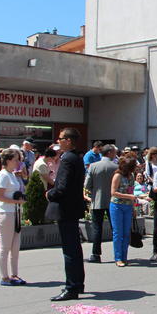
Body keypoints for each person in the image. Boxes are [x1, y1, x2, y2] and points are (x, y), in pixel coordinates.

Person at [47, 128, 86, 301]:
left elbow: (62, 187)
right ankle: (78, 283)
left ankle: (72, 287)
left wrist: (50, 194)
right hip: (73, 208)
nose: (58, 141)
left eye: (61, 138)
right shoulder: (76, 157)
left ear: (69, 140)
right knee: (75, 249)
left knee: (70, 250)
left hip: (66, 209)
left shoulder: (67, 159)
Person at [0, 149, 26, 286]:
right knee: (5, 246)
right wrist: (16, 202)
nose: (17, 162)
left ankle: (14, 274)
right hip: (5, 213)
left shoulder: (12, 175)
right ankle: (4, 277)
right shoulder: (3, 175)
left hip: (15, 212)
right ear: (7, 161)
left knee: (15, 246)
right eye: (15, 160)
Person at [84, 144, 118, 263]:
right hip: (113, 201)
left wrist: (95, 190)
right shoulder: (116, 167)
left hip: (97, 200)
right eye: (114, 152)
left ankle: (95, 254)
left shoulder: (93, 166)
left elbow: (87, 185)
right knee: (115, 228)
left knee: (97, 228)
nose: (115, 155)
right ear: (109, 153)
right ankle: (118, 254)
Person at [109, 155, 137, 267]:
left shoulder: (132, 176)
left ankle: (124, 256)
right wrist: (129, 197)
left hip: (128, 206)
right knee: (118, 232)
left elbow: (132, 191)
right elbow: (113, 192)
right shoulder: (117, 176)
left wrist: (133, 207)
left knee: (126, 232)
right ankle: (118, 257)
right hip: (117, 205)